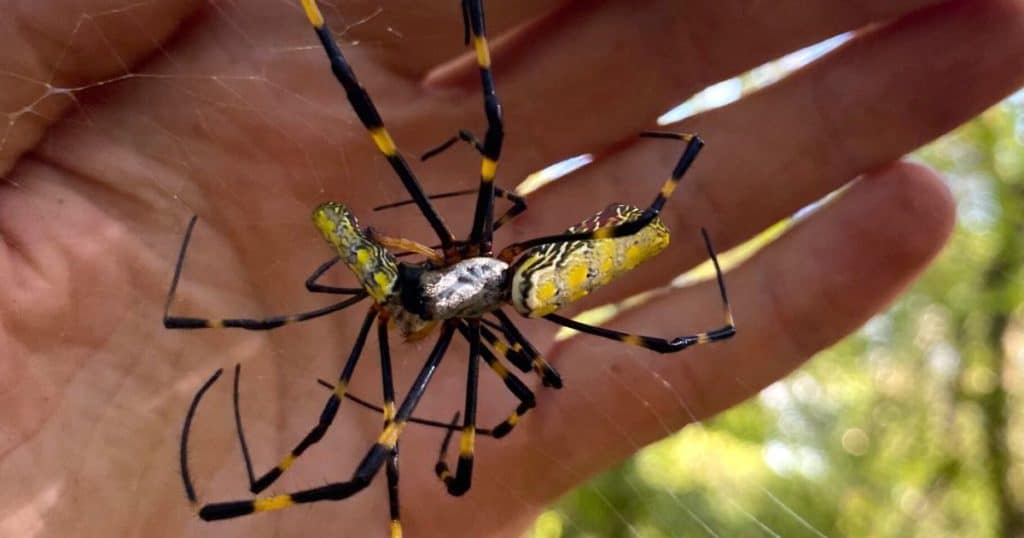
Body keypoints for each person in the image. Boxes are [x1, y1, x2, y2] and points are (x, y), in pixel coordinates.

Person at [1, 0, 1022, 536]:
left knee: (502, 174)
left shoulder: (464, 277)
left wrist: (663, 204)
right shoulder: (448, 280)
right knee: (480, 164)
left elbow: (653, 330)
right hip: (512, 277)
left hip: (520, 277)